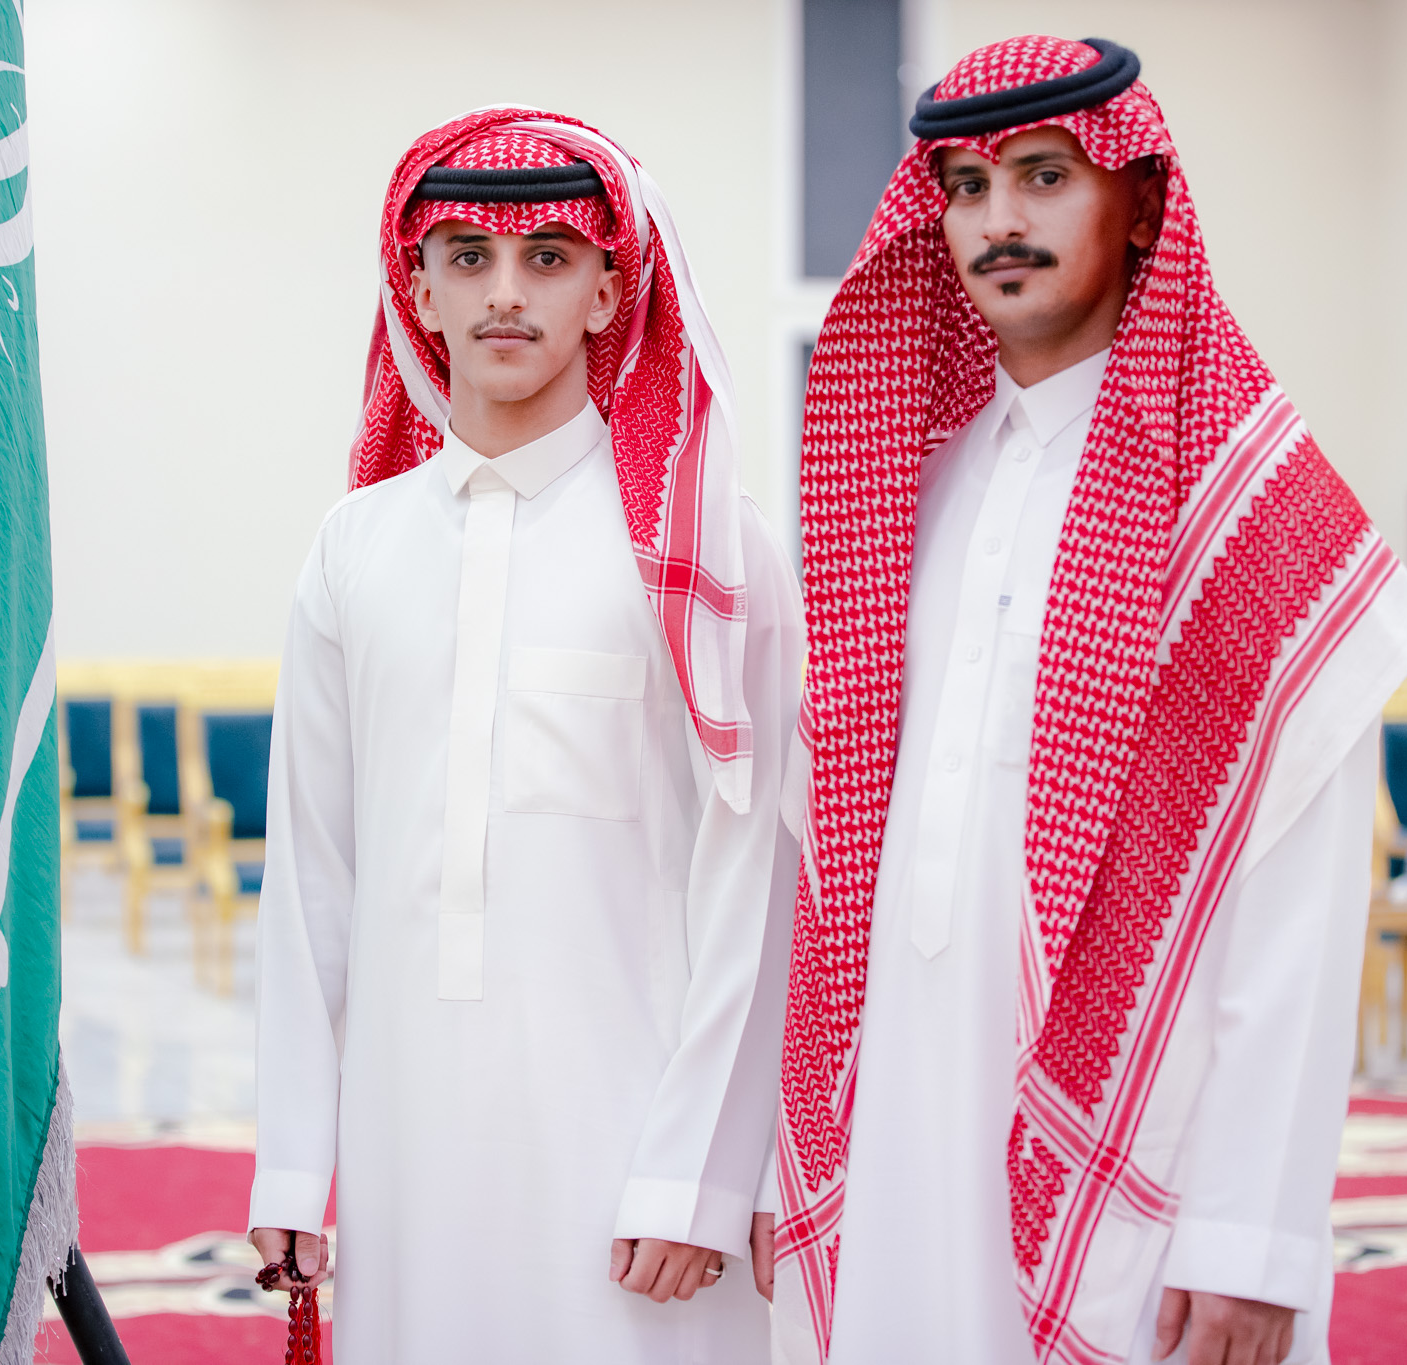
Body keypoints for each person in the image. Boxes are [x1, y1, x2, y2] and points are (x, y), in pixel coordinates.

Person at [768, 36, 1407, 1365]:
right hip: (897, 1120)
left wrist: (1249, 1235)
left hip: (1154, 1170)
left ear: (1138, 205)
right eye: (965, 186)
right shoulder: (910, 493)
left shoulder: (1250, 516)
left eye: (1042, 176)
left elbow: (1296, 916)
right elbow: (827, 859)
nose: (995, 221)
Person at [246, 107, 803, 1364]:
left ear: (609, 290)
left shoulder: (707, 545)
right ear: (419, 293)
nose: (505, 292)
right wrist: (293, 1158)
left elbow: (757, 877)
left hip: (634, 1156)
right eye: (468, 257)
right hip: (403, 1145)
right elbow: (310, 877)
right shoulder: (354, 547)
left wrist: (705, 1170)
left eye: (547, 257)